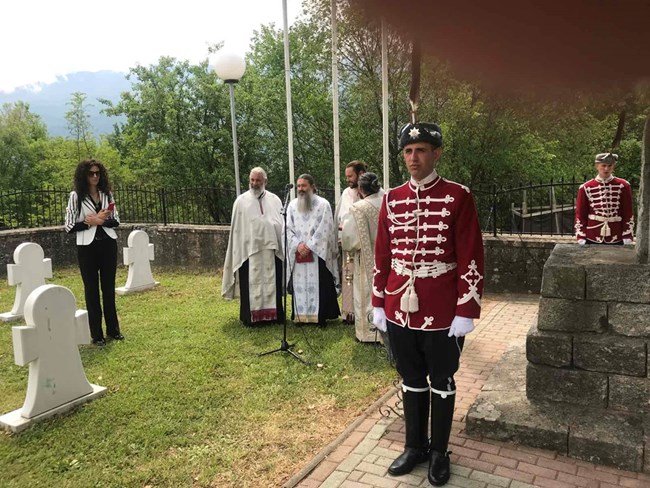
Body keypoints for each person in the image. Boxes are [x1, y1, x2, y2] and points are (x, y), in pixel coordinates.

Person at [372, 122, 484, 486]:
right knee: (411, 378)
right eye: (408, 151)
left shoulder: (458, 196)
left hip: (441, 307)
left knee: (442, 379)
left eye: (420, 150)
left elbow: (471, 255)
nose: (413, 157)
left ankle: (439, 451)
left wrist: (466, 308)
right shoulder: (391, 198)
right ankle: (414, 446)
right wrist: (378, 301)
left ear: (436, 154)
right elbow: (382, 254)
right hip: (398, 303)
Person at [64, 159, 122, 347]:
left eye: (98, 173)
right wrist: (90, 222)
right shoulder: (76, 196)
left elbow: (116, 221)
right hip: (87, 248)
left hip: (108, 244)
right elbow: (69, 226)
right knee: (91, 291)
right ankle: (97, 335)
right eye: (91, 173)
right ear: (84, 175)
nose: (95, 176)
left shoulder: (107, 194)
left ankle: (113, 330)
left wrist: (100, 221)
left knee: (108, 289)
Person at [222, 168, 285, 326]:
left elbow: (281, 225)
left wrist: (271, 229)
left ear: (265, 181)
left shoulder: (275, 200)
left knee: (272, 283)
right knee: (250, 285)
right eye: (252, 180)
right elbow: (238, 230)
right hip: (249, 252)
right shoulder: (241, 201)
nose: (255, 183)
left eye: (258, 180)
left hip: (271, 251)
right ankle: (251, 318)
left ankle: (274, 316)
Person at [286, 174, 340, 324]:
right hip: (298, 252)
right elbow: (288, 228)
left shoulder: (323, 205)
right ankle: (300, 316)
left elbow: (326, 228)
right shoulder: (291, 206)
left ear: (312, 187)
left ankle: (320, 316)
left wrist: (309, 246)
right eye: (298, 186)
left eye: (304, 186)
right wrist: (298, 245)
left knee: (320, 284)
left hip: (318, 254)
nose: (300, 189)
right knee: (299, 284)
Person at [341, 172, 385, 342]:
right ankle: (385, 331)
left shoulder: (359, 207)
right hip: (386, 256)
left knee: (365, 292)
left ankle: (367, 334)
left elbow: (349, 239)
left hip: (366, 258)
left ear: (360, 189)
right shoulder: (388, 202)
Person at [575, 152, 634, 245]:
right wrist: (581, 235)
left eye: (610, 166)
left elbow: (627, 212)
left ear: (613, 166)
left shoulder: (623, 185)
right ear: (597, 166)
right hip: (592, 235)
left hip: (616, 235)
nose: (606, 169)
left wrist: (627, 234)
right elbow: (581, 214)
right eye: (603, 165)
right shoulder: (585, 187)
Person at [335, 161, 367, 324]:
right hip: (349, 243)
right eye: (346, 176)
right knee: (348, 276)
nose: (348, 179)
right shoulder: (346, 193)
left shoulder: (371, 191)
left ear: (360, 173)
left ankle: (365, 312)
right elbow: (341, 217)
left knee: (364, 278)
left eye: (350, 176)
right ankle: (349, 313)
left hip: (366, 244)